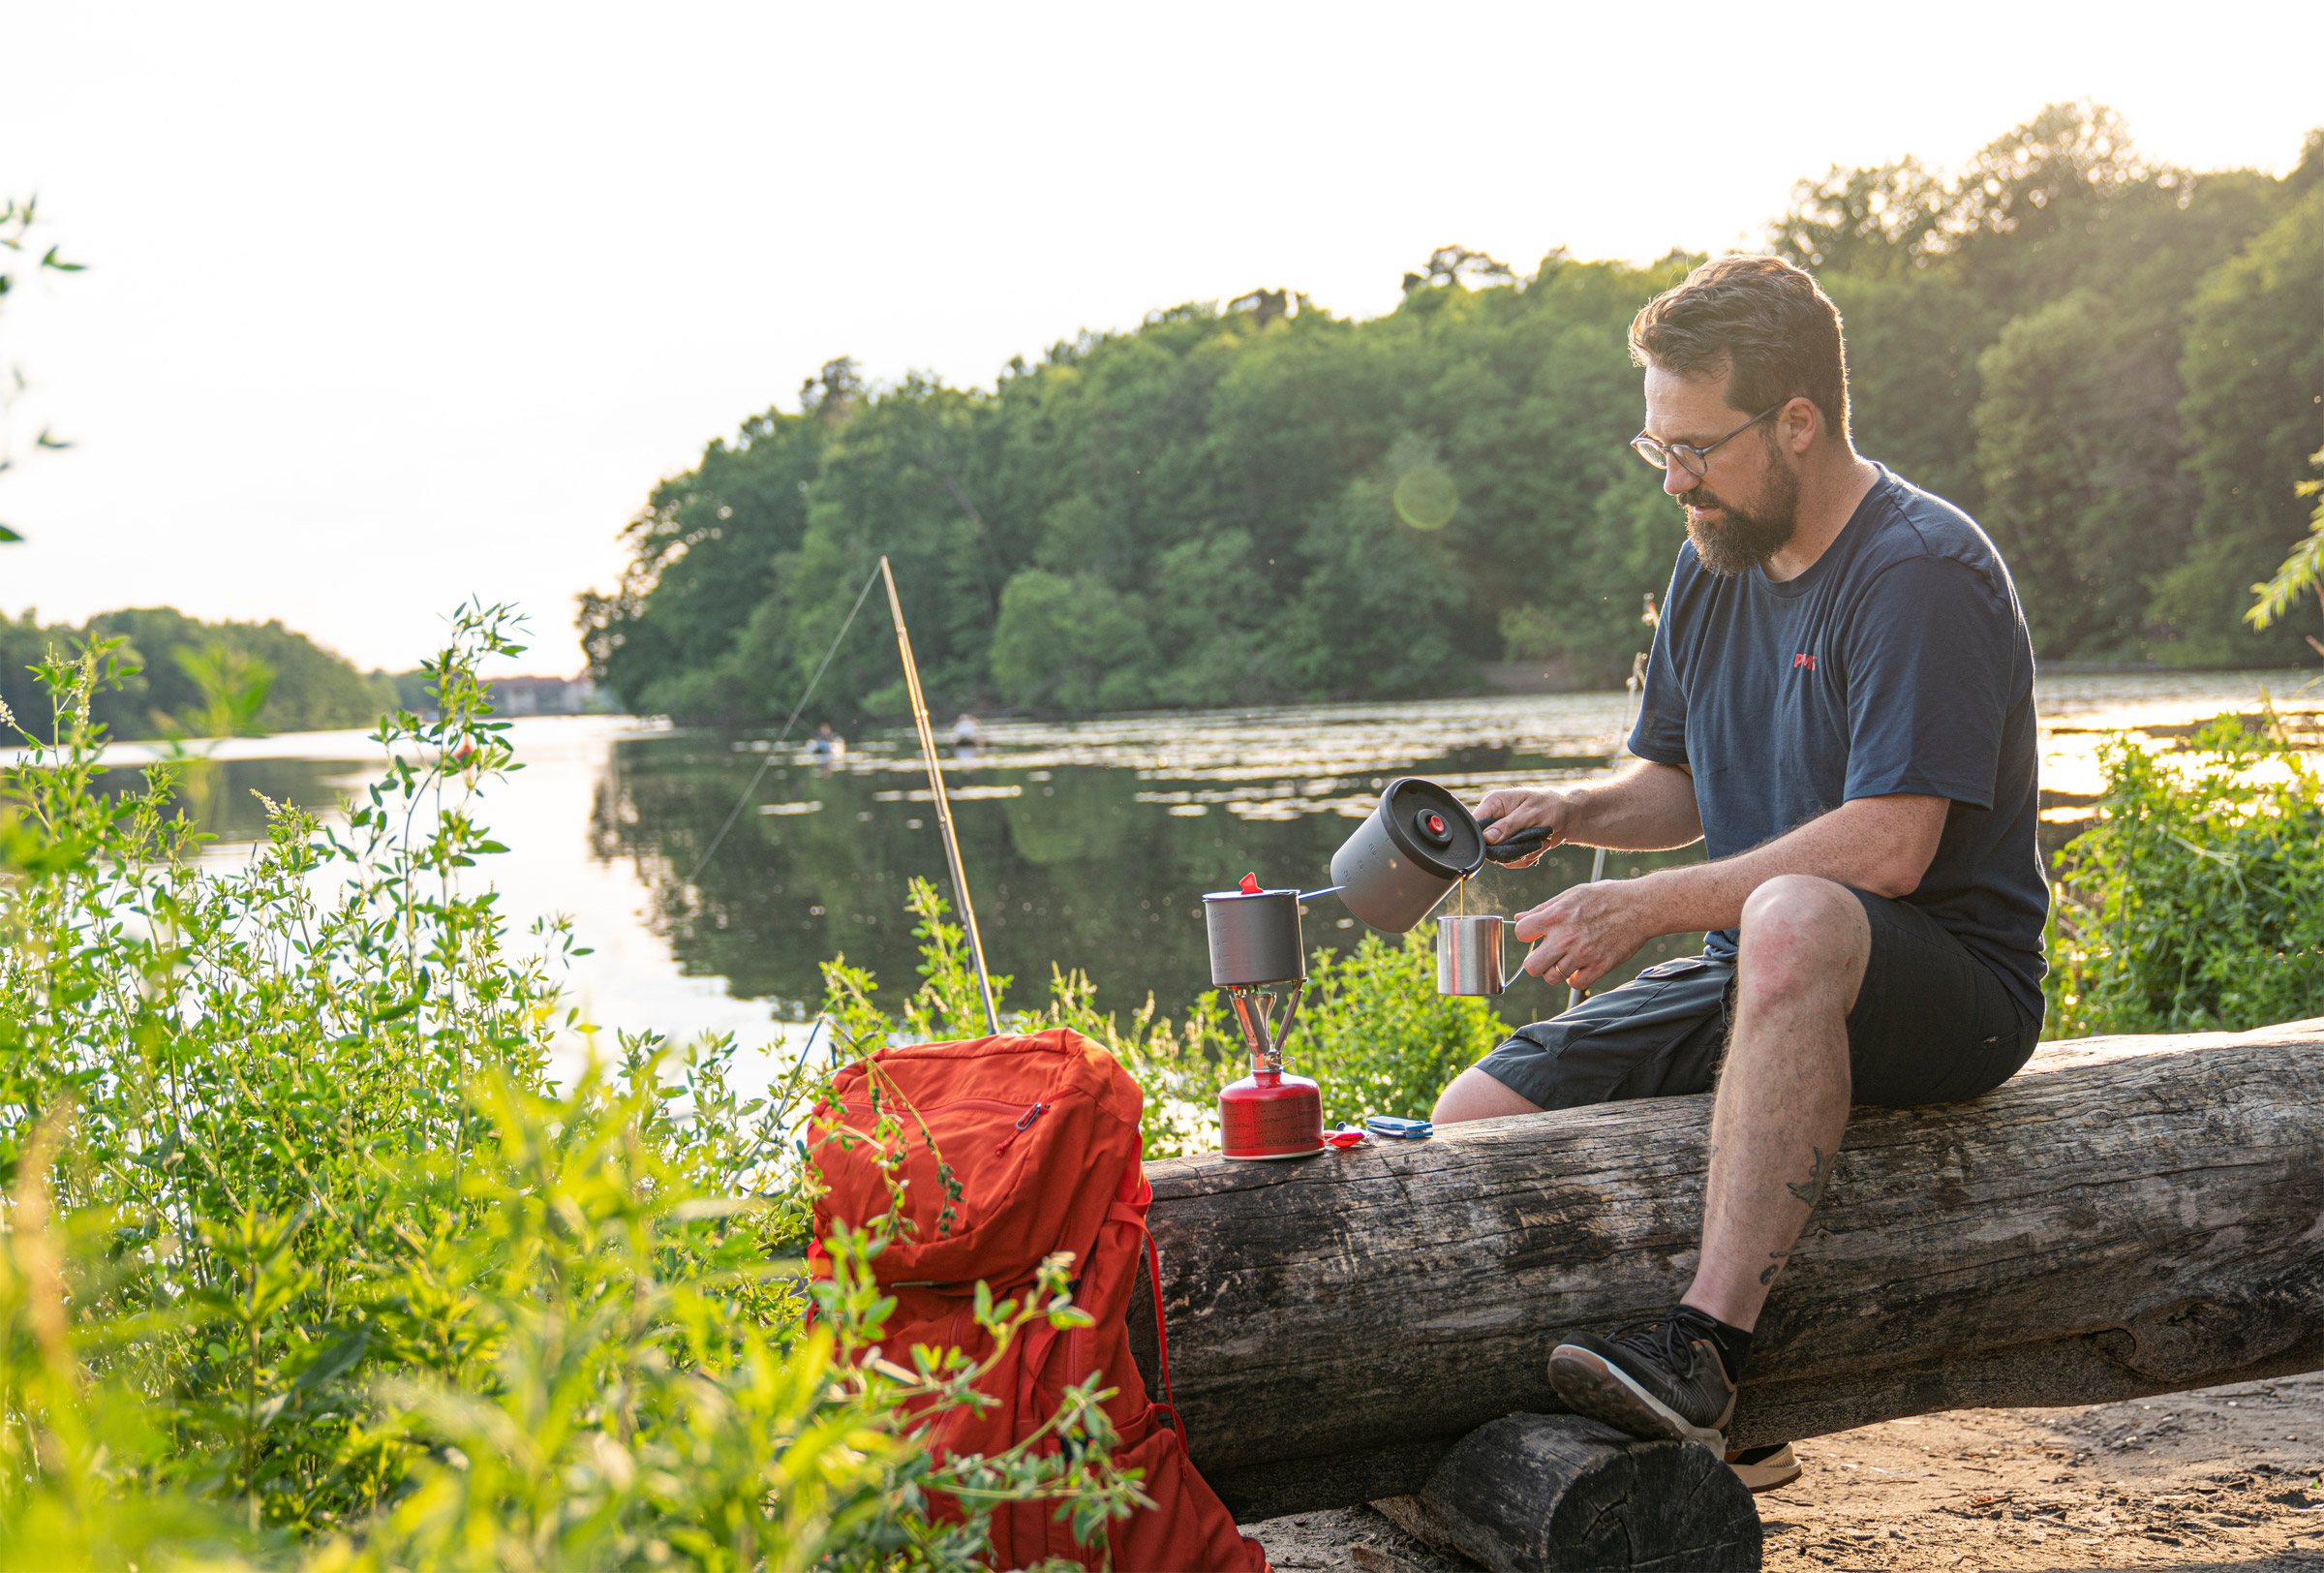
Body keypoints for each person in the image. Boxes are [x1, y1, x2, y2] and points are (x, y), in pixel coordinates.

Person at [1431, 256, 2046, 1496]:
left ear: (1799, 422)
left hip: (1952, 987)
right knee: (1470, 1122)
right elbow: (1686, 787)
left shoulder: (1918, 570)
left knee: (1797, 914)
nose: (1674, 480)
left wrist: (1642, 906)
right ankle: (1718, 1430)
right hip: (1763, 967)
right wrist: (1574, 809)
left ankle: (1706, 1349)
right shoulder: (1714, 557)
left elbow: (1891, 845)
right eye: (1654, 446)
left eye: (1697, 447)